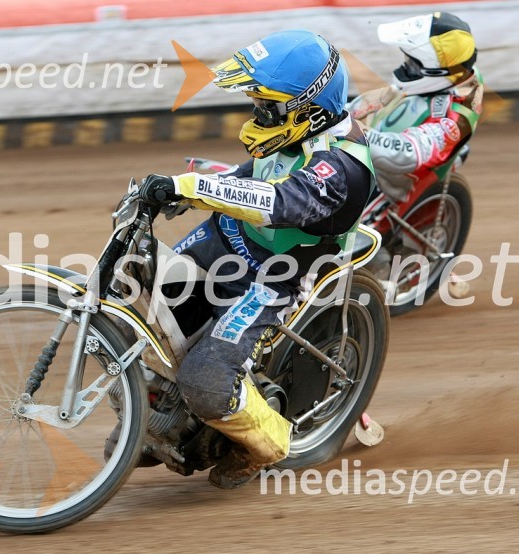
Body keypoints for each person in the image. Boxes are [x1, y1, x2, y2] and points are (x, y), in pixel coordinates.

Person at [138, 30, 375, 489]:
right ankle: (153, 420)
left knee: (204, 380)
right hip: (223, 240)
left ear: (307, 106)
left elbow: (278, 200)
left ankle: (266, 445)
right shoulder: (293, 132)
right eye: (257, 103)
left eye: (267, 106)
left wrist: (193, 188)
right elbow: (251, 176)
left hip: (275, 276)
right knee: (139, 307)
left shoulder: (342, 167)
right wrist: (187, 186)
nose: (258, 114)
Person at [347, 11, 483, 204]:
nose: (406, 67)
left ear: (437, 72)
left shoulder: (454, 120)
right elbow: (382, 98)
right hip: (410, 125)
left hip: (399, 183)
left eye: (412, 65)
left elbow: (407, 153)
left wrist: (351, 132)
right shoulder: (458, 72)